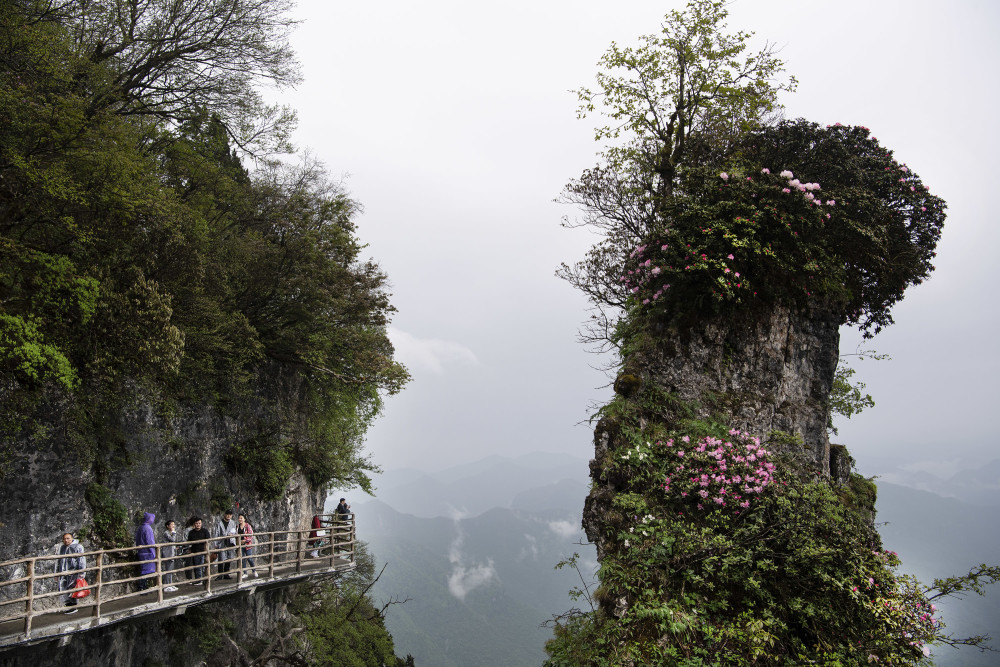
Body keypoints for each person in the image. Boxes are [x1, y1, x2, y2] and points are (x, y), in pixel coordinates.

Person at [55, 533, 85, 614]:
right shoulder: (62, 548)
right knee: (63, 589)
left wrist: (81, 572)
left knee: (72, 589)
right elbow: (59, 561)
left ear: (72, 538)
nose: (66, 540)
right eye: (64, 539)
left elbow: (81, 560)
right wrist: (57, 573)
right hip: (64, 572)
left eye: (68, 538)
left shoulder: (78, 547)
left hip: (74, 572)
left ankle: (74, 607)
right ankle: (68, 606)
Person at [134, 512, 156, 593]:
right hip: (148, 552)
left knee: (144, 569)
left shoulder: (140, 527)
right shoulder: (148, 528)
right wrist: (153, 551)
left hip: (141, 551)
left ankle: (143, 586)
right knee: (146, 571)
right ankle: (142, 587)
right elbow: (150, 541)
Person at [186, 516, 210, 585]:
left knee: (202, 566)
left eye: (199, 523)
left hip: (203, 551)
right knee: (197, 566)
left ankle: (202, 579)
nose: (198, 525)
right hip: (195, 551)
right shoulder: (191, 532)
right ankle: (198, 579)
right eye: (197, 523)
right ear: (194, 524)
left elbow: (208, 539)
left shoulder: (204, 531)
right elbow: (189, 540)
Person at [214, 510, 237, 580]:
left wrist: (232, 534)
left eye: (230, 514)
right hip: (222, 542)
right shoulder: (220, 523)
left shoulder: (233, 523)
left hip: (230, 542)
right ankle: (220, 575)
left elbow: (235, 531)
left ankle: (226, 573)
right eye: (227, 514)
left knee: (229, 558)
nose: (229, 516)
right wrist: (216, 543)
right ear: (225, 514)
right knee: (221, 559)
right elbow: (216, 533)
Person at [161, 519, 180, 592]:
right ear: (167, 526)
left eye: (173, 524)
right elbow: (173, 539)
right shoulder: (166, 533)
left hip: (171, 553)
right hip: (168, 554)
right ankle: (166, 586)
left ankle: (170, 584)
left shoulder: (170, 532)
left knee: (171, 570)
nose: (173, 526)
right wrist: (174, 532)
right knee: (168, 570)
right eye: (171, 524)